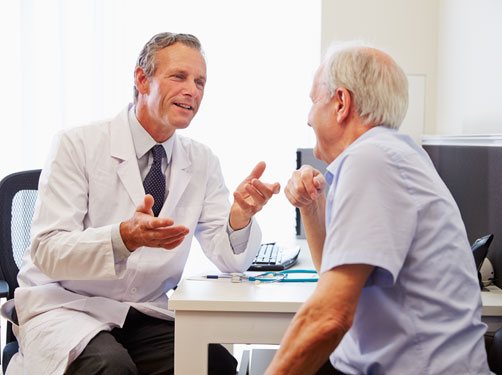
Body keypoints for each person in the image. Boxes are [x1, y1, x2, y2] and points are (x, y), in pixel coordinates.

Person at [6, 32, 280, 375]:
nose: (192, 90)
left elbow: (229, 259)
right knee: (111, 367)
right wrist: (122, 239)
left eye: (200, 82)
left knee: (216, 365)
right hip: (68, 307)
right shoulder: (77, 145)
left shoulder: (202, 160)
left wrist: (239, 218)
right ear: (141, 79)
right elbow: (48, 250)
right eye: (178, 76)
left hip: (144, 311)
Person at [266, 43, 490, 375]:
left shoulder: (371, 160)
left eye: (313, 102)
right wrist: (310, 207)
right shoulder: (389, 154)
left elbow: (330, 316)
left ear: (341, 103)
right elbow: (332, 271)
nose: (307, 117)